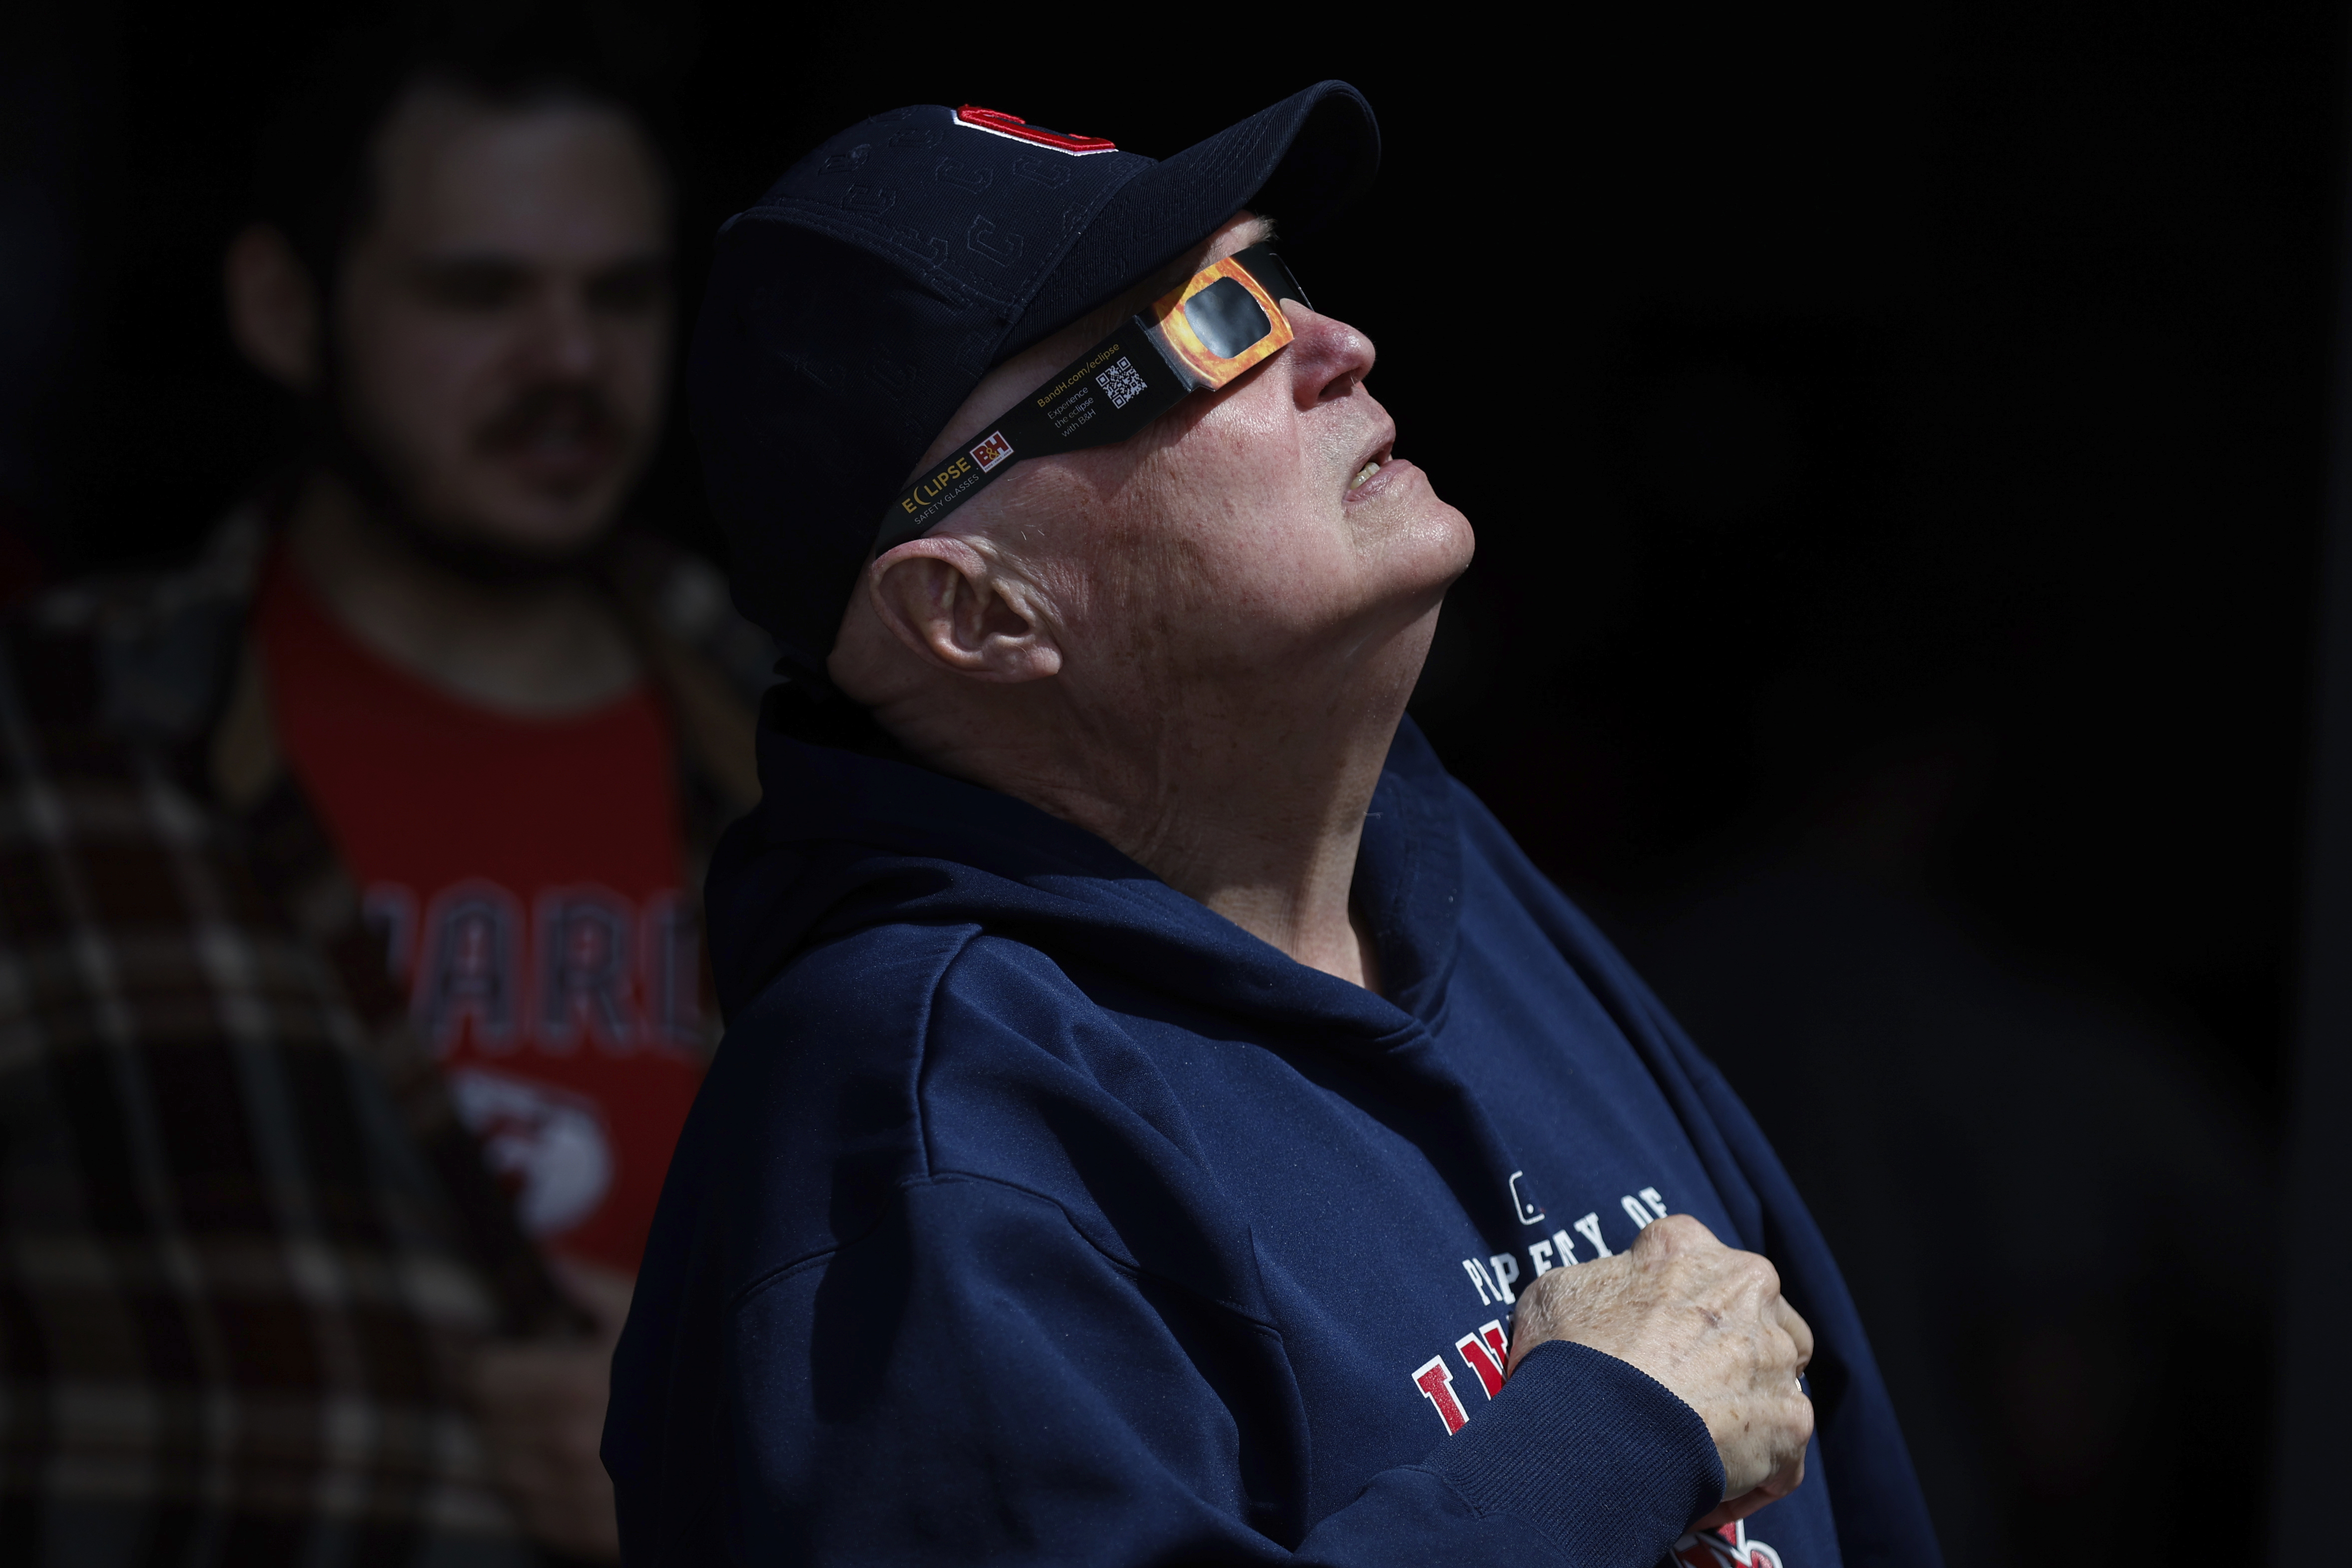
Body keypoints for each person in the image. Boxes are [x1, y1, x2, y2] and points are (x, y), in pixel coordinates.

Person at [606, 84, 1939, 1566]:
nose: (1332, 347)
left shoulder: (1455, 876)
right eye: (1193, 337)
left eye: (1274, 280)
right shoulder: (911, 1122)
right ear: (973, 610)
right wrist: (1606, 1435)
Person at [0, 15, 767, 1565]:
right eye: (479, 292)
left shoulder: (822, 763)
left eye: (618, 294)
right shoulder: (52, 746)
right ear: (285, 309)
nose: (568, 359)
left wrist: (745, 1449)